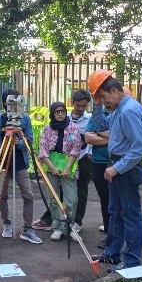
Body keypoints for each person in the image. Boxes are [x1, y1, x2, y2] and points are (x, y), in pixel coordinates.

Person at [88, 72, 142, 271]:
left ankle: (131, 262)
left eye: (103, 97)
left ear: (113, 91)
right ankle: (113, 254)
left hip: (126, 168)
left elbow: (140, 147)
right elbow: (101, 126)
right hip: (116, 165)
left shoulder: (128, 111)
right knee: (115, 212)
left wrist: (117, 168)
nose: (103, 102)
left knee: (130, 214)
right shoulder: (118, 110)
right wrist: (97, 103)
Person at [0, 89, 42, 244]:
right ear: (6, 103)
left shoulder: (25, 119)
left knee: (28, 195)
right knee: (2, 195)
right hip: (3, 162)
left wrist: (20, 142)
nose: (17, 106)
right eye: (13, 103)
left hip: (20, 163)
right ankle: (6, 224)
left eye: (19, 102)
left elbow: (30, 139)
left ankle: (28, 228)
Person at [38, 102, 82, 241]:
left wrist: (68, 167)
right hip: (51, 165)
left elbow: (76, 149)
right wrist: (52, 167)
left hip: (68, 164)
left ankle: (69, 228)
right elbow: (43, 151)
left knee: (72, 199)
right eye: (57, 112)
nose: (60, 114)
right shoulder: (47, 129)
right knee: (53, 198)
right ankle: (57, 227)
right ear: (52, 114)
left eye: (62, 111)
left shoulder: (73, 128)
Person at [85, 103, 113, 249]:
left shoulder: (118, 113)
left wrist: (99, 133)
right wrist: (111, 137)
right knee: (105, 198)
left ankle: (119, 234)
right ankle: (109, 233)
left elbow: (123, 136)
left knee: (117, 200)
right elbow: (88, 138)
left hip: (115, 163)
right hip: (98, 163)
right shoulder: (96, 116)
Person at [68, 90, 92, 233]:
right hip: (67, 160)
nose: (82, 109)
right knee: (65, 190)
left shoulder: (90, 119)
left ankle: (78, 221)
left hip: (83, 158)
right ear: (72, 103)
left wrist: (89, 154)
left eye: (84, 106)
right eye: (78, 106)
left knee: (82, 191)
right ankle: (62, 220)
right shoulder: (65, 118)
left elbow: (93, 138)